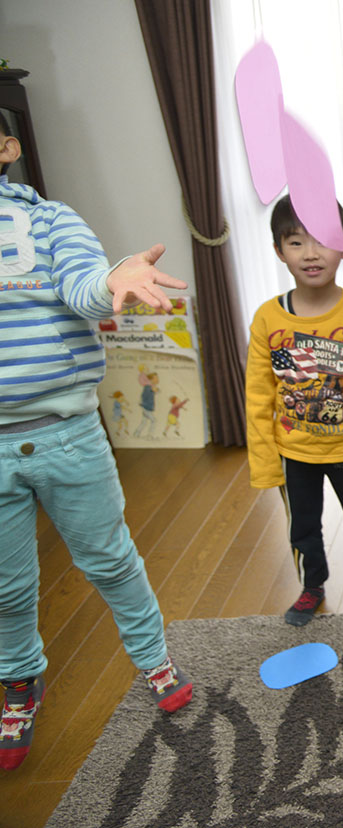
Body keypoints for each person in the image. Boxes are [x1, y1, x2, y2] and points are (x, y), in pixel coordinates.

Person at [0, 113, 193, 771]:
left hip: (66, 436)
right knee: (5, 585)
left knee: (108, 559)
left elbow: (84, 287)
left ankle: (154, 660)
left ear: (7, 147)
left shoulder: (50, 221)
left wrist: (116, 279)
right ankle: (21, 681)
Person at [245, 195, 343, 626]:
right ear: (279, 251)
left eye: (323, 240)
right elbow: (257, 394)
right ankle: (312, 586)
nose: (311, 253)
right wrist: (264, 461)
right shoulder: (266, 319)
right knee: (303, 530)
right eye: (296, 242)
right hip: (294, 451)